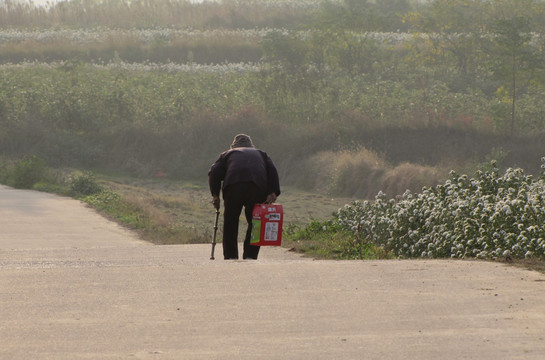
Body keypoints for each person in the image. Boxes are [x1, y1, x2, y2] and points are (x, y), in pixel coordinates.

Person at [208, 134, 281, 260]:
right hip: (257, 187)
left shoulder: (227, 154)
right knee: (255, 222)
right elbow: (272, 171)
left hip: (233, 186)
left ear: (233, 146)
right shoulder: (261, 154)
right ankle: (250, 256)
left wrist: (215, 195)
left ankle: (231, 256)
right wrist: (273, 191)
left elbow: (214, 172)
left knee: (230, 222)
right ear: (251, 145)